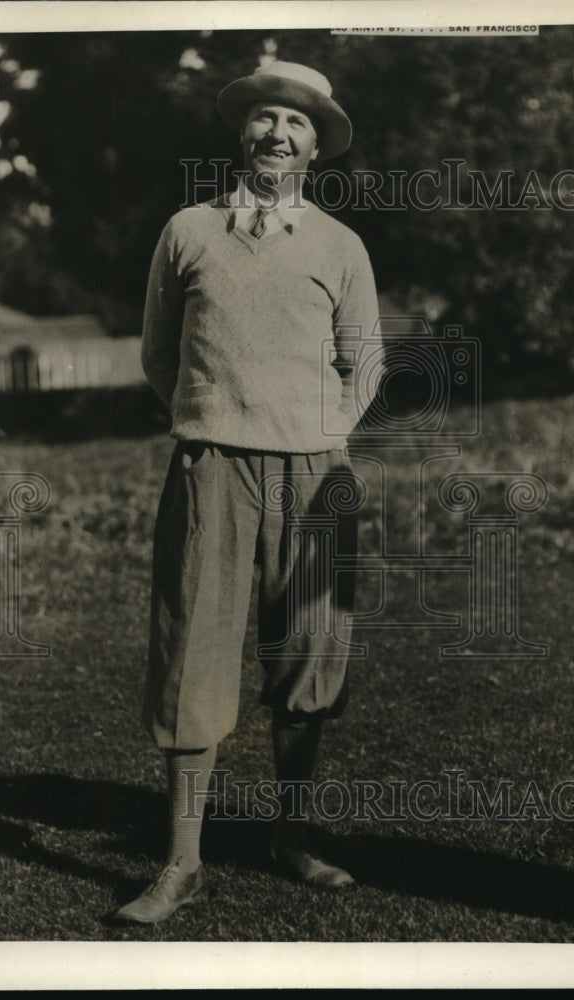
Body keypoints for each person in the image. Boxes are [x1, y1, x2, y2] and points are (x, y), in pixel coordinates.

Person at [113, 60, 379, 924]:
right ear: (243, 132)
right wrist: (213, 419)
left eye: (297, 125)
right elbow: (159, 354)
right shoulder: (188, 229)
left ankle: (290, 836)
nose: (278, 134)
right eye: (266, 117)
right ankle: (180, 863)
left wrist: (316, 429)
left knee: (306, 655)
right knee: (192, 653)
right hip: (210, 471)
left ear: (315, 147)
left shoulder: (339, 245)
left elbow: (363, 360)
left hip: (313, 475)